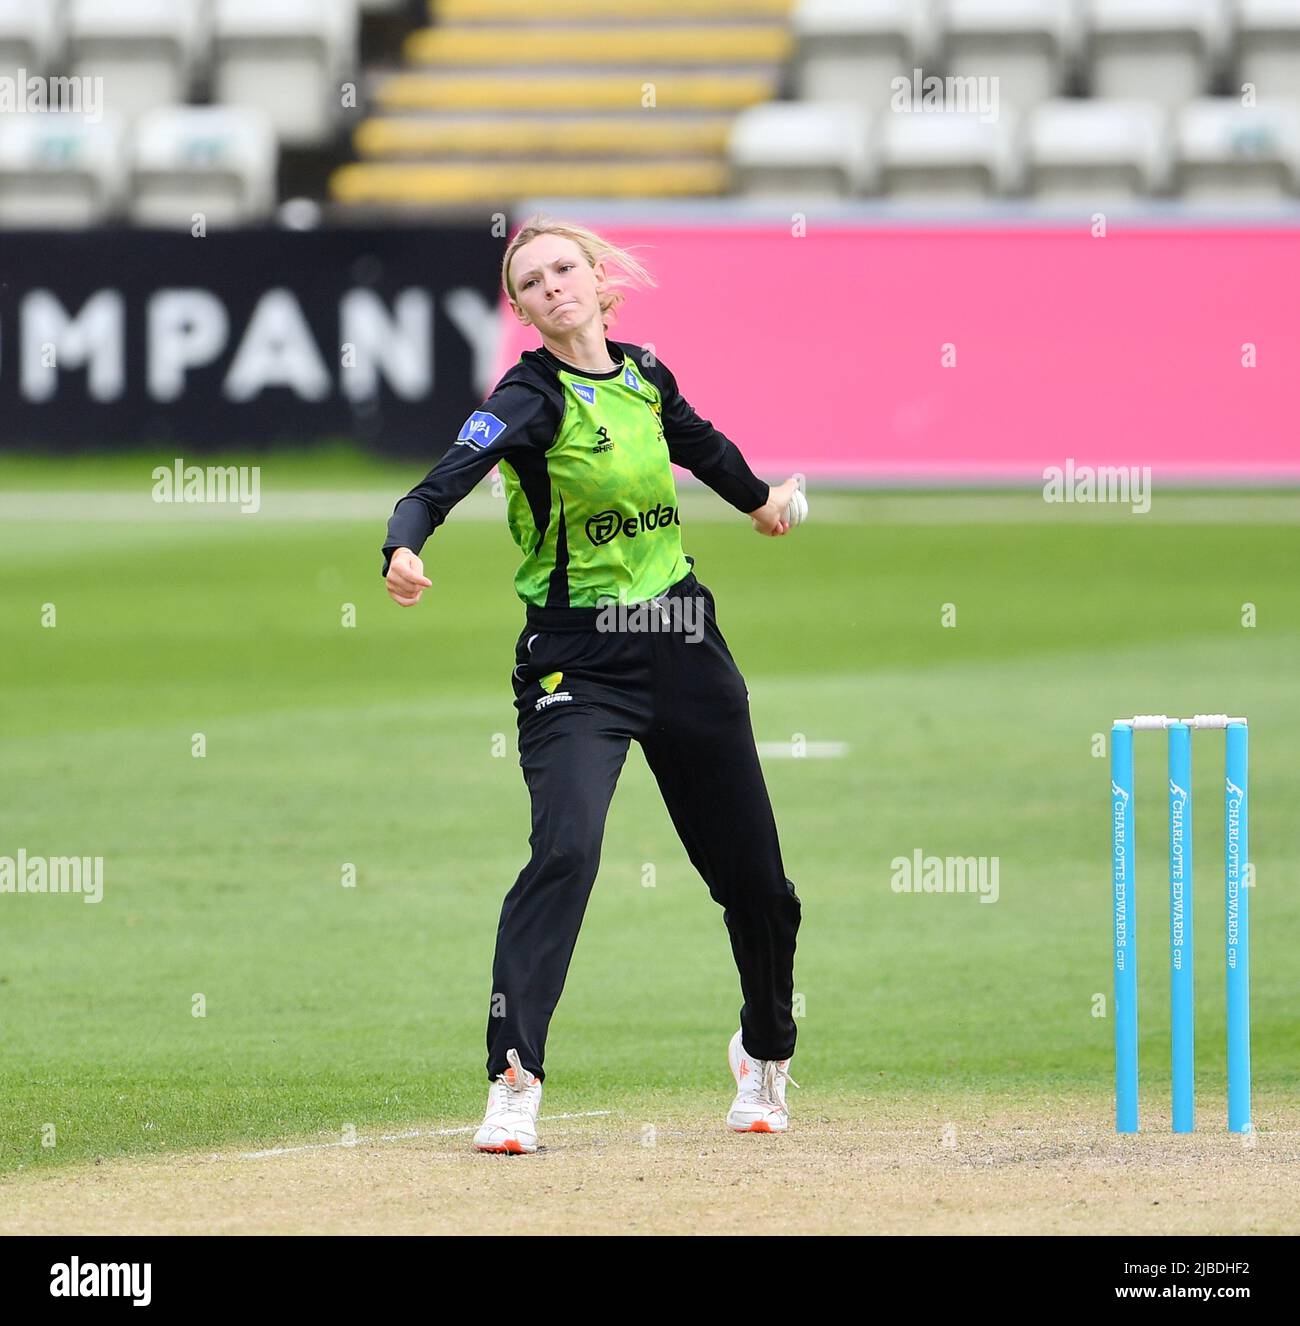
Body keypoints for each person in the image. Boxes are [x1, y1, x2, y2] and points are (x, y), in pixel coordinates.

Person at [380, 215, 803, 1154]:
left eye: (565, 269)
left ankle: (766, 1052)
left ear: (599, 277)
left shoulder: (647, 374)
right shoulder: (527, 395)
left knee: (758, 886)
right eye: (531, 282)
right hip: (578, 661)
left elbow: (699, 444)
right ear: (523, 309)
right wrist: (404, 544)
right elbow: (445, 477)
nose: (552, 287)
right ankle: (513, 1079)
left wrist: (763, 502)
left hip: (683, 640)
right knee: (565, 854)